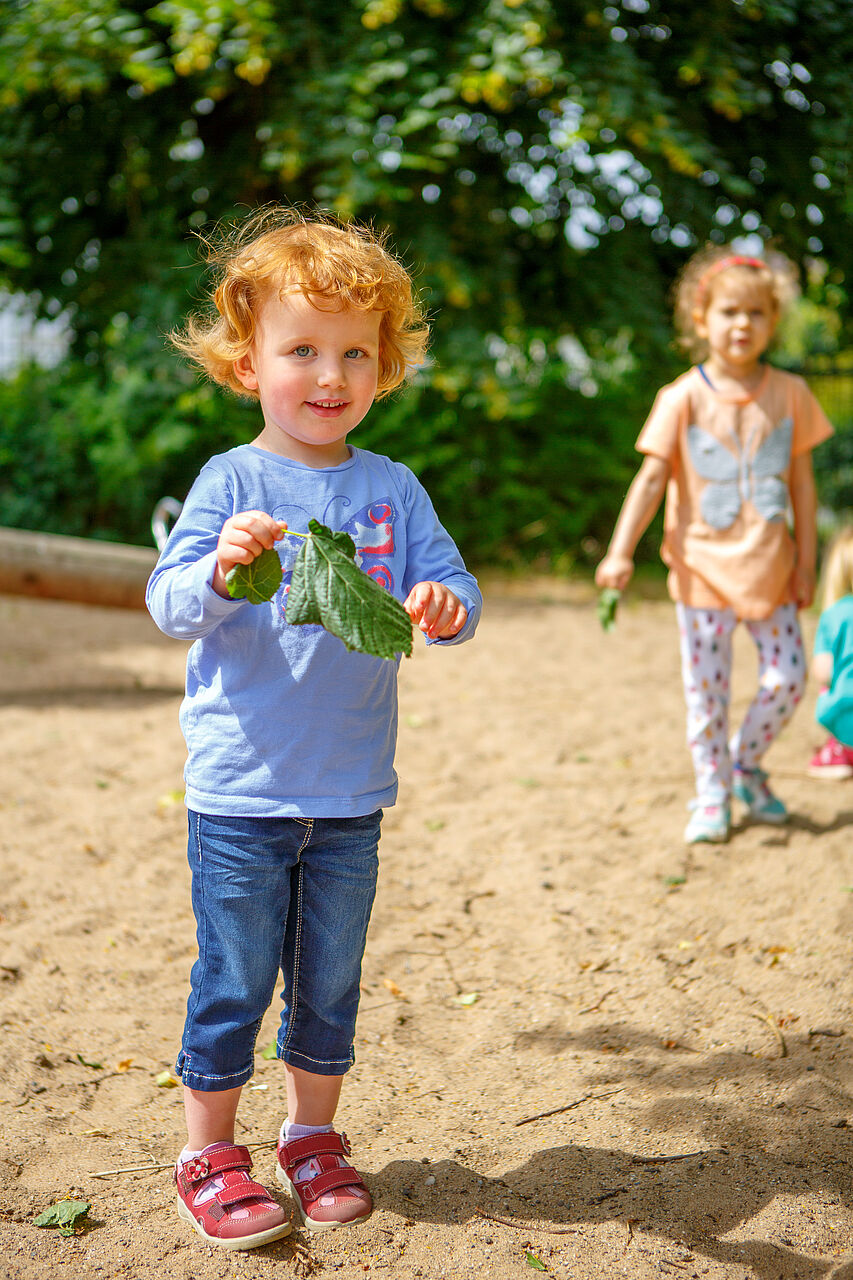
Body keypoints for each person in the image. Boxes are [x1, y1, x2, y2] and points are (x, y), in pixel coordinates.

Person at [146, 207, 482, 1248]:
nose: (329, 374)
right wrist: (215, 564)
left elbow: (450, 578)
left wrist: (443, 604)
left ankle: (311, 1134)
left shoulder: (391, 486)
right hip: (242, 792)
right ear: (247, 363)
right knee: (235, 978)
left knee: (329, 979)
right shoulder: (233, 481)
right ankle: (208, 1148)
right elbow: (167, 605)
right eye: (301, 350)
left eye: (354, 352)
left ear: (384, 364)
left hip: (348, 794)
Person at [595, 246, 833, 844]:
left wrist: (807, 561)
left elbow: (801, 484)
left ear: (773, 323)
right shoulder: (682, 398)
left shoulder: (792, 394)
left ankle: (744, 764)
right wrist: (620, 552)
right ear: (702, 320)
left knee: (788, 680)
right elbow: (650, 479)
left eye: (756, 313)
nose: (743, 324)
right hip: (701, 573)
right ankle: (712, 793)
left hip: (773, 571)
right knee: (707, 696)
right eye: (729, 311)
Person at [808, 527, 853, 778]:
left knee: (832, 687)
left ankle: (839, 751)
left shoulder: (834, 615)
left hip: (845, 713)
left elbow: (823, 672)